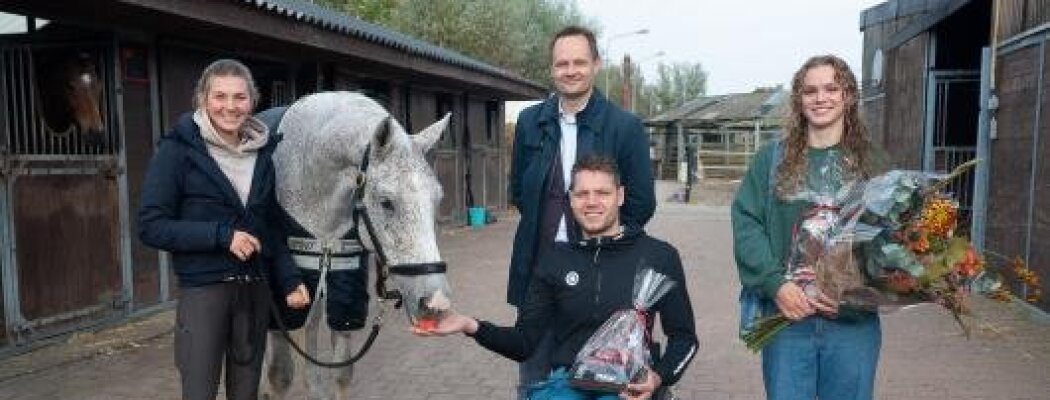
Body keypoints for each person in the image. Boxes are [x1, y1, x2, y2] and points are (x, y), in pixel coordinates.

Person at [423, 155, 696, 400]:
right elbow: (524, 342)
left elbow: (685, 339)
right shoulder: (554, 259)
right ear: (571, 199)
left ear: (620, 195)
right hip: (568, 387)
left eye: (602, 193)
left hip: (629, 390)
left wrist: (657, 378)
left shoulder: (659, 256)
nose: (591, 202)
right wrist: (469, 325)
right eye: (582, 194)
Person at [138, 59, 310, 400]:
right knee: (199, 392)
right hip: (204, 292)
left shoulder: (262, 153)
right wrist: (221, 236)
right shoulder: (177, 151)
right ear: (203, 99)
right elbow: (151, 226)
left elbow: (270, 225)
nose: (230, 106)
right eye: (220, 96)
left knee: (245, 393)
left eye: (239, 97)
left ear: (252, 101)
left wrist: (289, 279)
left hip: (255, 291)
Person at [508, 25, 656, 397]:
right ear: (552, 68)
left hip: (599, 276)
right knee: (535, 382)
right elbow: (520, 192)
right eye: (562, 63)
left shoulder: (625, 126)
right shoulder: (530, 123)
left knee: (599, 381)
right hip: (540, 271)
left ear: (595, 64)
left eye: (579, 62)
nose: (570, 70)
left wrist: (606, 248)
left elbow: (640, 202)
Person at [731, 55, 886, 400]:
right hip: (787, 319)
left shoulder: (873, 164)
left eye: (832, 88)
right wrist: (775, 284)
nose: (821, 98)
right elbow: (747, 225)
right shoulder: (771, 161)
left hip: (852, 324)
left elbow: (891, 241)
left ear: (848, 96)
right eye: (810, 91)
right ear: (798, 101)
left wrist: (855, 291)